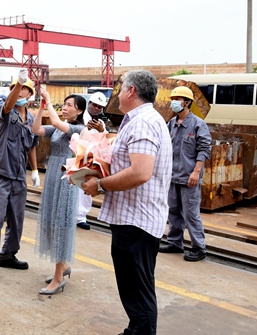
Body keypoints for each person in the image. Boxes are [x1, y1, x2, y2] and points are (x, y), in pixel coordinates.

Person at [83, 70, 172, 335]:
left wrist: (100, 185)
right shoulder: (140, 120)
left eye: (121, 89)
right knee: (135, 290)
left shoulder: (143, 122)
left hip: (137, 222)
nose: (118, 94)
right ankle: (136, 330)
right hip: (133, 219)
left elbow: (140, 172)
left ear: (131, 91)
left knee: (138, 293)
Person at [0, 68, 40, 285]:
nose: (21, 91)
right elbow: (8, 105)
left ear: (30, 94)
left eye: (24, 89)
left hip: (18, 175)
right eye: (17, 88)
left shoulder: (31, 119)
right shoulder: (5, 111)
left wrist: (34, 170)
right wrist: (19, 82)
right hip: (0, 172)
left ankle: (7, 255)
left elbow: (32, 145)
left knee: (17, 220)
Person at [32, 90, 86, 295]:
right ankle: (63, 267)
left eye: (70, 105)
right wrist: (41, 108)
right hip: (54, 174)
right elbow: (36, 129)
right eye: (64, 104)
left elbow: (55, 122)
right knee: (52, 221)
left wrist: (48, 101)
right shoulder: (58, 128)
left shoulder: (78, 129)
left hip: (66, 178)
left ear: (79, 111)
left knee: (60, 225)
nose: (65, 107)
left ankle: (58, 278)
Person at [159, 86, 211, 262]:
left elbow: (204, 150)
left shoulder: (198, 124)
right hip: (173, 176)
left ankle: (199, 247)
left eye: (178, 99)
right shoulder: (171, 124)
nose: (174, 102)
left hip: (190, 177)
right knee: (173, 210)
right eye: (173, 99)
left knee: (191, 214)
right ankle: (175, 242)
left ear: (187, 102)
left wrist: (196, 172)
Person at [77, 92, 108, 230]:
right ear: (89, 103)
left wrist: (102, 130)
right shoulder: (79, 116)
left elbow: (106, 141)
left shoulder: (101, 123)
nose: (96, 108)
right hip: (78, 156)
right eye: (94, 105)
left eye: (99, 107)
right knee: (73, 187)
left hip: (92, 159)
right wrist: (86, 129)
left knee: (86, 187)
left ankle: (81, 217)